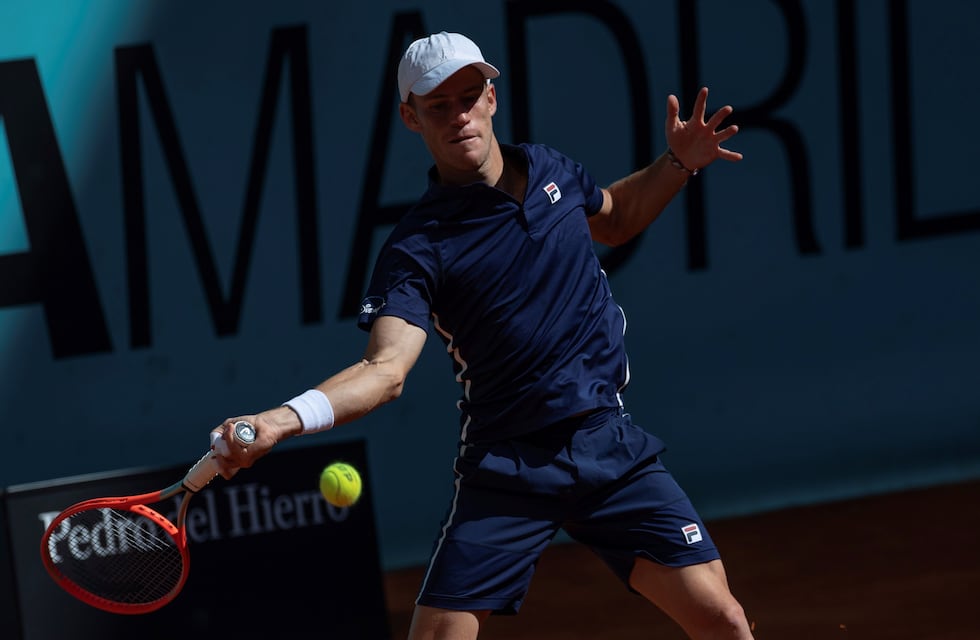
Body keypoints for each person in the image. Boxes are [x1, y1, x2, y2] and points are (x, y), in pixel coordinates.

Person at [211, 31, 752, 640]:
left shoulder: (550, 168)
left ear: (491, 97)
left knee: (723, 619)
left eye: (469, 97)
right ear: (409, 118)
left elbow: (618, 218)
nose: (459, 116)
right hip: (508, 467)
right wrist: (283, 420)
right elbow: (385, 371)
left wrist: (677, 163)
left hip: (606, 443)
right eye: (437, 107)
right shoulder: (417, 249)